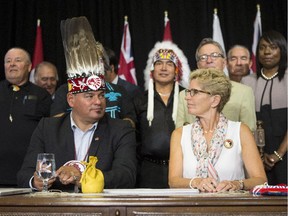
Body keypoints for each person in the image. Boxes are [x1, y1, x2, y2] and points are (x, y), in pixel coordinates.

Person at [17, 16, 137, 191]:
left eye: (101, 95)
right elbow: (24, 173)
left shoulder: (120, 130)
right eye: (89, 96)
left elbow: (126, 176)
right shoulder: (47, 128)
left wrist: (83, 177)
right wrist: (35, 181)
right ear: (71, 100)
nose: (98, 101)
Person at [169, 68, 267, 192]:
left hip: (231, 208)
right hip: (191, 207)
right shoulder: (179, 134)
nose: (187, 97)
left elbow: (261, 180)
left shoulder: (240, 131)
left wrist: (237, 184)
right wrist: (196, 182)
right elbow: (173, 181)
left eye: (194, 92)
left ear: (215, 100)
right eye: (188, 91)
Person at [134, 41, 190, 188]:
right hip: (148, 171)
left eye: (169, 64)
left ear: (176, 70)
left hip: (184, 170)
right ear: (152, 69)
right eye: (159, 63)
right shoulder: (139, 99)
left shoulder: (188, 97)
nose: (164, 68)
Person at [176, 38, 256, 132]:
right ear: (198, 65)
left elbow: (249, 131)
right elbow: (179, 133)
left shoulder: (244, 92)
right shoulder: (184, 95)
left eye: (214, 56)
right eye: (203, 57)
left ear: (224, 62)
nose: (209, 60)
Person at [0, 47, 52, 187]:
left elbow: (50, 135)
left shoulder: (42, 96)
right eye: (8, 61)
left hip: (28, 178)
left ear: (29, 67)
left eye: (17, 60)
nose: (12, 64)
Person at [241, 30, 287, 185]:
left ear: (282, 49)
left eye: (273, 47)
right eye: (262, 47)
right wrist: (257, 155)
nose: (267, 51)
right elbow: (244, 123)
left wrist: (278, 154)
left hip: (285, 152)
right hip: (255, 157)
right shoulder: (247, 81)